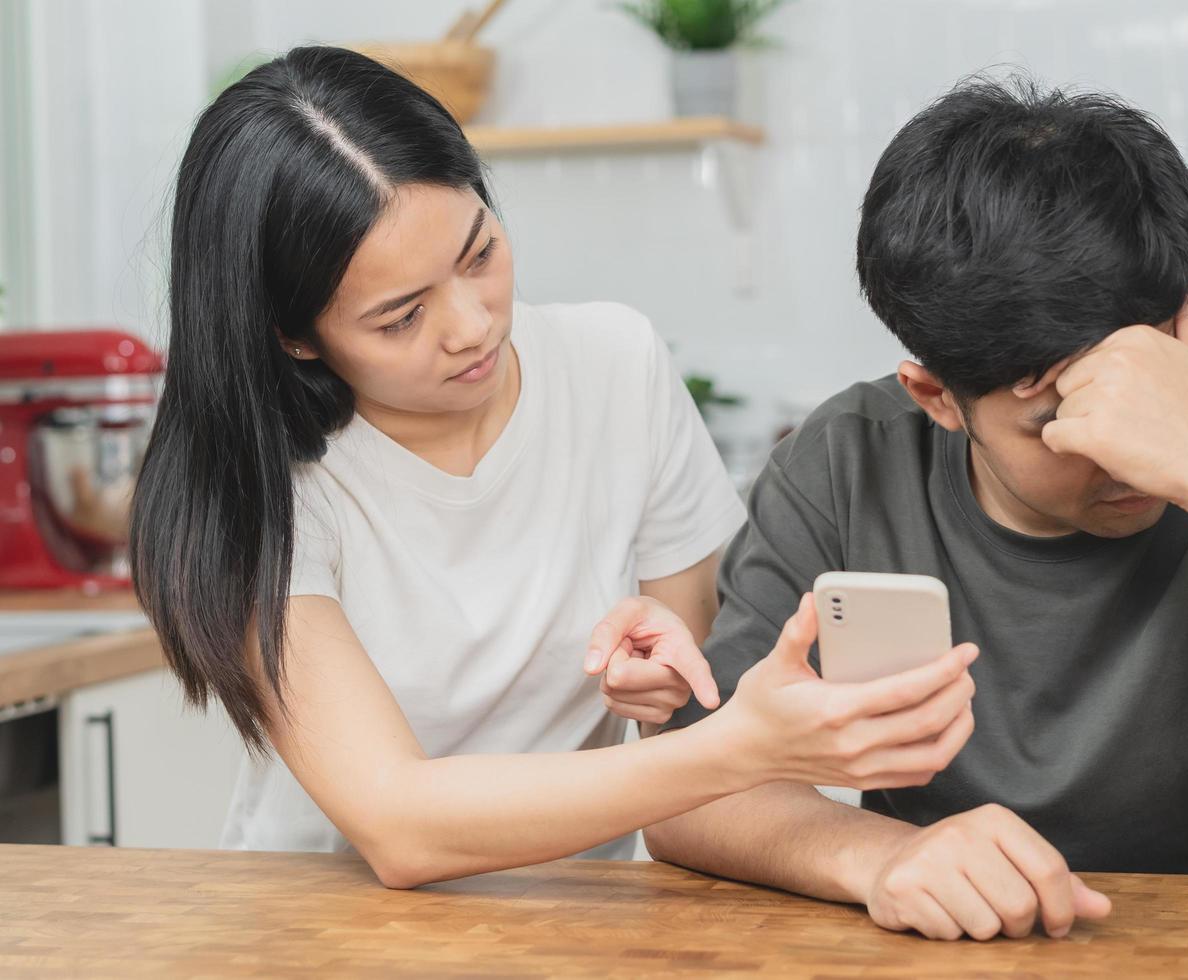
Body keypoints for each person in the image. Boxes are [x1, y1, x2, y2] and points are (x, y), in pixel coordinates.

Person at [128, 46, 979, 888]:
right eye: (401, 317)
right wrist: (738, 747)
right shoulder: (266, 481)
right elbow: (400, 823)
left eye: (479, 254)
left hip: (575, 914)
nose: (471, 326)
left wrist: (666, 688)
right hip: (319, 926)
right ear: (296, 336)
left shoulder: (615, 364)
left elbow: (686, 716)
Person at [647, 76, 1188, 940]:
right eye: (1058, 419)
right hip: (949, 944)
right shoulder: (846, 461)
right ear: (937, 396)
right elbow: (686, 795)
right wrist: (876, 857)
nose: (1122, 448)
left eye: (1141, 384)